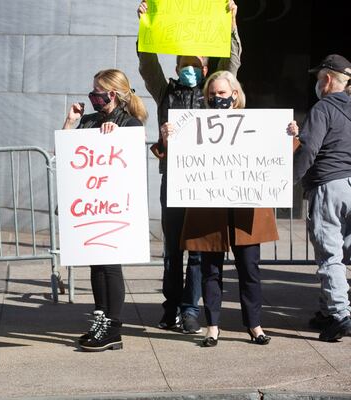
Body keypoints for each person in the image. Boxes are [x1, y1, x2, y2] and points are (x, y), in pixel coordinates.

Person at [136, 0, 241, 334]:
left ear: (206, 68)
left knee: (196, 251)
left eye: (195, 64)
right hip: (173, 179)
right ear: (177, 66)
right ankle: (170, 307)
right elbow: (147, 64)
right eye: (184, 64)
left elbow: (232, 60)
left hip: (202, 183)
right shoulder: (166, 93)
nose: (189, 69)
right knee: (172, 251)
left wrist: (232, 24)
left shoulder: (213, 95)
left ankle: (190, 309)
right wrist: (144, 27)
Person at [174, 71, 278, 347]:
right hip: (211, 211)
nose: (216, 98)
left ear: (234, 94)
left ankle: (254, 325)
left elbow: (278, 151)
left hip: (246, 211)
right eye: (212, 94)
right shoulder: (195, 124)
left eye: (221, 93)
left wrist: (290, 134)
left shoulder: (255, 123)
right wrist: (168, 136)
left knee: (249, 269)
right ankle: (213, 326)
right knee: (211, 271)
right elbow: (170, 153)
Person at [62, 69, 148, 352]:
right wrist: (70, 123)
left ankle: (114, 327)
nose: (93, 98)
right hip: (91, 206)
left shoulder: (130, 123)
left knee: (111, 266)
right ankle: (99, 321)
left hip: (113, 207)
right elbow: (66, 155)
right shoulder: (88, 121)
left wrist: (115, 136)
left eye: (97, 93)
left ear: (112, 94)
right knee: (96, 265)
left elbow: (130, 164)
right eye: (91, 93)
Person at [287, 54, 351, 342]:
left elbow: (310, 149)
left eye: (317, 78)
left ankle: (339, 315)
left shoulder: (323, 108)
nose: (316, 83)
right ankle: (328, 310)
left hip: (329, 186)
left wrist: (288, 181)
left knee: (330, 255)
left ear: (327, 79)